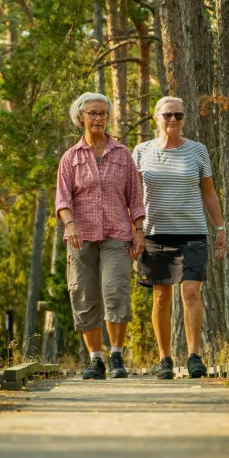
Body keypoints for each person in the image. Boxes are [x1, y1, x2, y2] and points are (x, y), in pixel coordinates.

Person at [132, 96, 226, 379]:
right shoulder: (141, 151)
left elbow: (208, 192)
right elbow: (134, 196)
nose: (173, 120)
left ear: (184, 119)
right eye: (167, 115)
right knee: (161, 296)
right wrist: (135, 231)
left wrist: (219, 229)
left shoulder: (197, 151)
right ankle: (164, 359)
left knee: (191, 291)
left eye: (178, 115)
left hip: (193, 231)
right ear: (156, 117)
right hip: (156, 232)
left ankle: (194, 356)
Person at [55, 92, 145, 380]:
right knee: (83, 293)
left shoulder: (122, 154)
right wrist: (70, 225)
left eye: (103, 113)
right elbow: (62, 200)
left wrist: (139, 230)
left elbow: (136, 197)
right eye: (92, 113)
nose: (98, 118)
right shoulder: (71, 157)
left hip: (117, 234)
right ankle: (96, 360)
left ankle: (116, 355)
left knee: (116, 290)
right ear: (80, 117)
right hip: (80, 237)